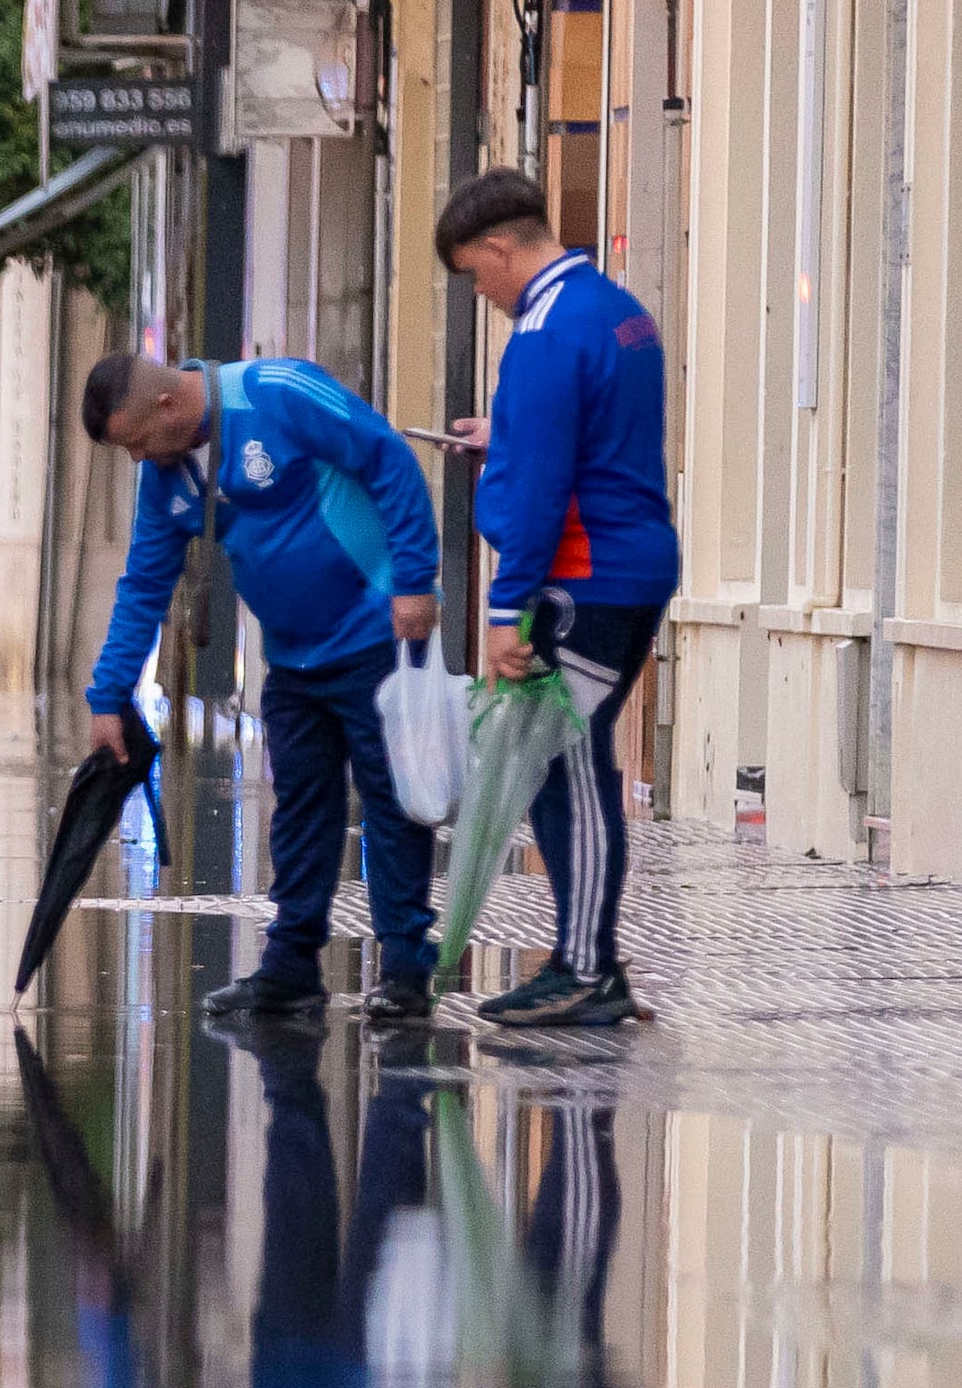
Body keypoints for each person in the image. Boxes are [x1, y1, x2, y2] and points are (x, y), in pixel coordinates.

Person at [78, 342, 447, 1026]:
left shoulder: (279, 393)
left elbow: (387, 457)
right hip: (293, 658)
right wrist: (109, 695)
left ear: (166, 404)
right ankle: (291, 969)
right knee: (302, 809)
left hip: (374, 634)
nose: (136, 460)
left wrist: (416, 581)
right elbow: (143, 583)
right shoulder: (165, 475)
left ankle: (405, 969)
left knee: (392, 804)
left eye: (135, 443)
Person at [437, 168, 683, 1031]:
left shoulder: (541, 333)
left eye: (477, 273)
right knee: (568, 768)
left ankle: (586, 966)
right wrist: (505, 434)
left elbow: (541, 489)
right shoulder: (617, 310)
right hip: (629, 563)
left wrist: (507, 606)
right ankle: (585, 959)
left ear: (502, 248)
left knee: (567, 769)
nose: (485, 292)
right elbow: (594, 439)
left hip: (582, 578)